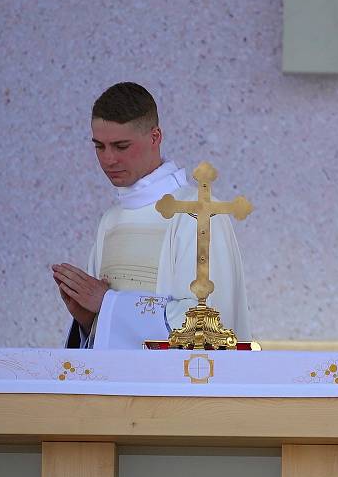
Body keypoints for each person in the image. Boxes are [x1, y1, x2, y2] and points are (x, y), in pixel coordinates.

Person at [53, 82, 251, 349]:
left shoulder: (197, 213)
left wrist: (108, 304)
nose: (108, 159)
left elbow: (207, 324)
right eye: (99, 146)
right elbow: (104, 331)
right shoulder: (111, 221)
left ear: (155, 137)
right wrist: (89, 320)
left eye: (121, 146)